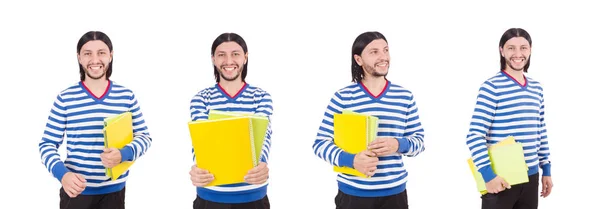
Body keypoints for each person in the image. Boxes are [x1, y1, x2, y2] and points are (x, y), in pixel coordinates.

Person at [38, 31, 153, 209]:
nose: (95, 59)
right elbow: (47, 144)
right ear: (79, 58)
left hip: (114, 193)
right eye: (87, 53)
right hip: (75, 194)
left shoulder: (126, 96)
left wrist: (123, 154)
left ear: (110, 55)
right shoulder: (65, 98)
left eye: (101, 52)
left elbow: (144, 137)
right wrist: (63, 175)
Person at [312, 31, 425, 209]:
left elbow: (419, 142)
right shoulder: (342, 98)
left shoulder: (405, 96)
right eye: (374, 52)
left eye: (386, 50)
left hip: (394, 196)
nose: (383, 57)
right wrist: (352, 160)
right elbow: (320, 144)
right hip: (352, 196)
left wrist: (398, 144)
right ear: (358, 60)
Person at [465, 28, 553, 209]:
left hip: (532, 178)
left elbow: (540, 130)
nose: (518, 53)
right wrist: (488, 176)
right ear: (501, 50)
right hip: (501, 178)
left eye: (523, 48)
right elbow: (474, 135)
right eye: (511, 48)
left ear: (530, 50)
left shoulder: (536, 88)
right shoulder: (491, 87)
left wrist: (546, 169)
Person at [188, 32, 273, 209]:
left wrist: (262, 164)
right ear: (213, 59)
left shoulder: (261, 97)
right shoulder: (201, 99)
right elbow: (200, 142)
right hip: (210, 196)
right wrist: (199, 167)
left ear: (245, 57)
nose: (229, 61)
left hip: (253, 196)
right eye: (221, 55)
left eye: (235, 54)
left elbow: (264, 137)